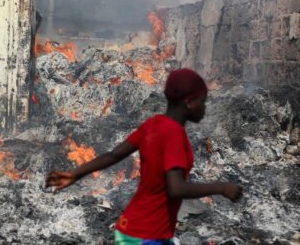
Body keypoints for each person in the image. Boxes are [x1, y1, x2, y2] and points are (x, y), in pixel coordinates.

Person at [46, 68, 243, 244]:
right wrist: (221, 187)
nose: (205, 108)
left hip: (134, 229)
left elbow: (114, 155)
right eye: (203, 101)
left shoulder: (153, 124)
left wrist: (75, 174)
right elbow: (175, 188)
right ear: (189, 102)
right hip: (145, 235)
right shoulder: (174, 133)